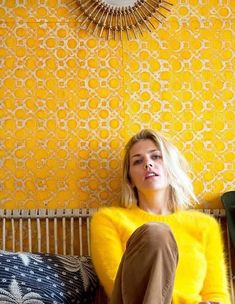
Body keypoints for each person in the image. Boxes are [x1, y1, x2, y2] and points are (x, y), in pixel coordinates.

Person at [91, 129, 231, 304]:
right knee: (157, 233)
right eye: (137, 161)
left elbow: (217, 294)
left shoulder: (204, 225)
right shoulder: (108, 220)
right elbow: (116, 284)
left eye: (156, 157)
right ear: (129, 179)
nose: (148, 164)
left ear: (172, 167)